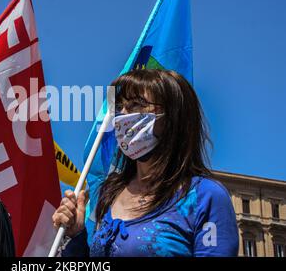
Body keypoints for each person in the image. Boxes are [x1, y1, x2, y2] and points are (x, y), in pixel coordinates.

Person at [53, 69, 239, 257]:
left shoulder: (205, 196)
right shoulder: (108, 193)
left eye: (136, 105)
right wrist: (76, 236)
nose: (122, 115)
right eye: (120, 107)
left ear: (171, 117)